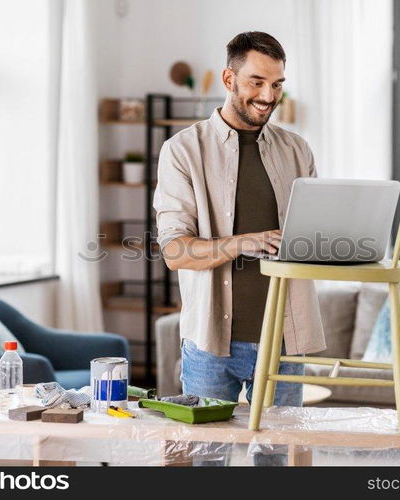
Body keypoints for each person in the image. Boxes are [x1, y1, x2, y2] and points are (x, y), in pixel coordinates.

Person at [153, 31, 325, 465]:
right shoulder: (182, 151)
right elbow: (175, 251)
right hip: (211, 345)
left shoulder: (297, 150)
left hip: (283, 343)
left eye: (277, 84)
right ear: (229, 78)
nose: (268, 95)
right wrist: (244, 242)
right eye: (256, 82)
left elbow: (312, 237)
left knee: (276, 464)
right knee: (209, 463)